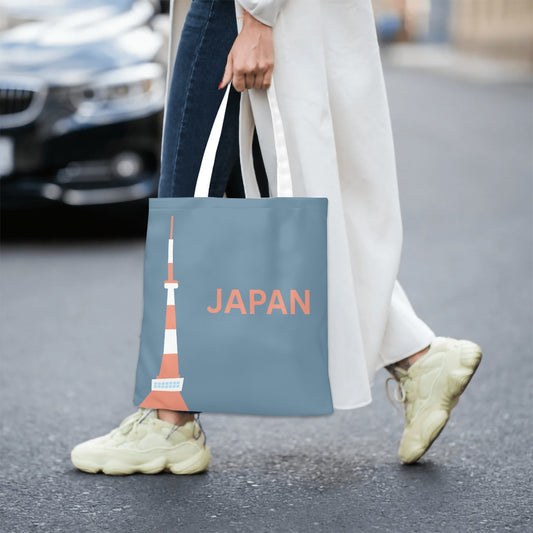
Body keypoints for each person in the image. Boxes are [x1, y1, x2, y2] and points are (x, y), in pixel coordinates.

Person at [71, 0, 482, 474]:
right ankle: (418, 357)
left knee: (188, 195)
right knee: (263, 185)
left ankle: (169, 415)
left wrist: (258, 16)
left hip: (239, 9)